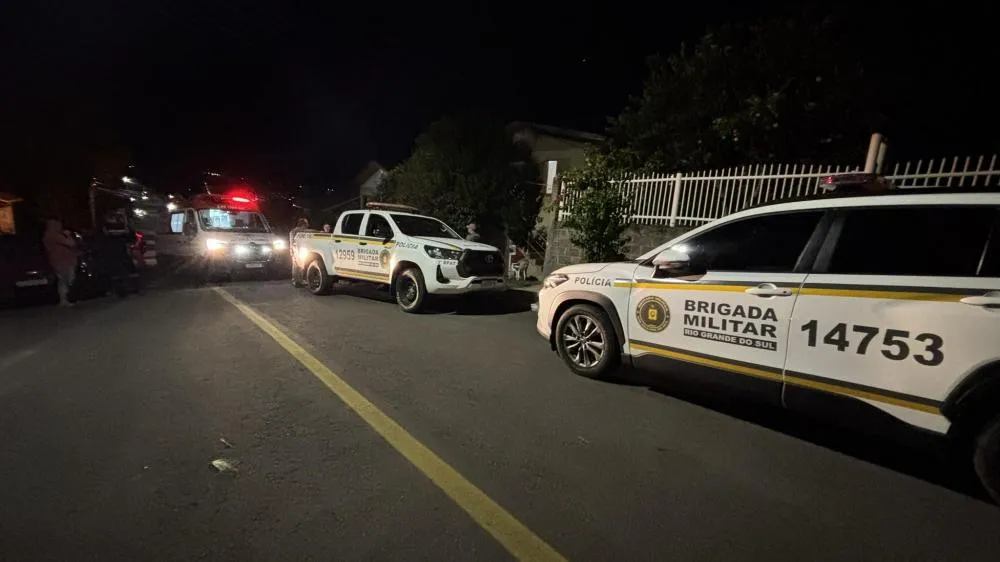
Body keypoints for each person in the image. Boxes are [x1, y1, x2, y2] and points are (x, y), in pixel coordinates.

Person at [43, 219, 79, 307]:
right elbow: (71, 243)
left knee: (63, 280)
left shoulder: (47, 236)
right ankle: (66, 299)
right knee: (67, 280)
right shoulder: (55, 236)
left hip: (59, 261)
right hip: (63, 261)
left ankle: (65, 299)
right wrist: (68, 235)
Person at [289, 218, 310, 287]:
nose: (307, 225)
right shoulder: (299, 231)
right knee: (298, 266)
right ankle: (297, 281)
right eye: (306, 223)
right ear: (303, 224)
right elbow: (292, 243)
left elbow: (291, 243)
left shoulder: (293, 231)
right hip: (297, 250)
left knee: (298, 266)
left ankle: (297, 281)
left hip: (298, 250)